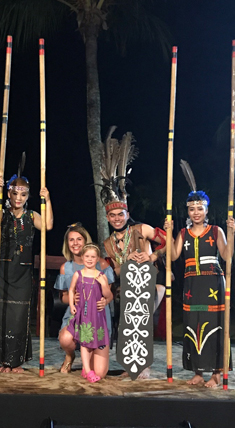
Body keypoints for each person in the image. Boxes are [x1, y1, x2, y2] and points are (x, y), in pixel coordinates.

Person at [99, 130, 166, 379]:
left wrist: (151, 257)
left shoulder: (142, 229)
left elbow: (169, 244)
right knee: (127, 326)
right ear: (107, 217)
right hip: (124, 286)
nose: (117, 218)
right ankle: (131, 368)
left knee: (141, 322)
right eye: (112, 216)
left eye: (120, 215)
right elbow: (112, 269)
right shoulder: (107, 243)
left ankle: (144, 368)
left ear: (127, 214)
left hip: (146, 282)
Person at [164, 160, 235, 388]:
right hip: (191, 285)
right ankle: (197, 372)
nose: (196, 212)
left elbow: (226, 255)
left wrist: (232, 233)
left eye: (200, 208)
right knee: (192, 325)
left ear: (206, 210)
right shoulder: (183, 233)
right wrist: (168, 233)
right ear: (188, 211)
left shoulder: (216, 230)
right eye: (192, 209)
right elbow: (174, 256)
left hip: (213, 282)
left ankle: (216, 373)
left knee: (214, 324)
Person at [0, 172, 53, 373]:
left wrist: (47, 199)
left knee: (19, 317)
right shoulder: (3, 213)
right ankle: (1, 360)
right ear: (9, 195)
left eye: (23, 195)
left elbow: (47, 225)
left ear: (28, 196)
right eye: (15, 194)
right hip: (1, 272)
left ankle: (16, 361)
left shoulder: (32, 216)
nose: (18, 198)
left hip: (23, 274)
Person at [54, 223, 114, 378]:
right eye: (71, 240)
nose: (75, 243)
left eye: (79, 239)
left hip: (98, 316)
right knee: (66, 339)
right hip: (78, 314)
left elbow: (110, 292)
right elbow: (64, 297)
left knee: (99, 372)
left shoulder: (101, 265)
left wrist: (104, 300)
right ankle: (70, 355)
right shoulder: (65, 268)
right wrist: (73, 298)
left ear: (85, 240)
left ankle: (91, 362)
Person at [67, 243, 111, 382]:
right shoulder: (78, 274)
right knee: (85, 342)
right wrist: (71, 304)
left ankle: (90, 368)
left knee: (94, 339)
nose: (90, 259)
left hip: (97, 315)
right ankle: (87, 370)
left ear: (98, 258)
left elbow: (108, 295)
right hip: (84, 313)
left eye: (93, 257)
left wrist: (104, 284)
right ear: (82, 257)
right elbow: (71, 290)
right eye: (87, 256)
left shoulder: (101, 275)